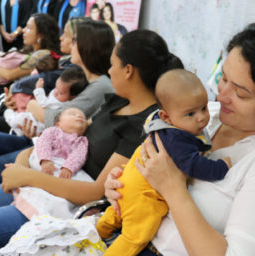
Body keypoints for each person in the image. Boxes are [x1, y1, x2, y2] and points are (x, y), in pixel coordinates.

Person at [0, 29, 183, 248]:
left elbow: (97, 191)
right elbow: (72, 136)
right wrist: (29, 156)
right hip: (47, 181)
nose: (109, 70)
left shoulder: (142, 127)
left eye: (113, 64)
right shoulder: (118, 102)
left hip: (63, 207)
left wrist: (28, 176)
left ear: (128, 71)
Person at [105, 25, 255, 256]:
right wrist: (122, 184)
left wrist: (172, 188)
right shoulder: (207, 114)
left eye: (240, 93)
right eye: (223, 77)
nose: (221, 94)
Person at [96, 69, 231, 255]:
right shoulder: (177, 139)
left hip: (130, 180)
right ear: (166, 117)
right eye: (190, 114)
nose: (201, 118)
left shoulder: (164, 125)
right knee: (134, 237)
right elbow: (193, 165)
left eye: (204, 108)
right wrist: (221, 167)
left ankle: (100, 230)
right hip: (144, 194)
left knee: (119, 213)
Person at [0, 18, 114, 175]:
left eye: (73, 40)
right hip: (41, 140)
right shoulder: (82, 76)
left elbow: (55, 117)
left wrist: (31, 105)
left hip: (54, 156)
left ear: (87, 46)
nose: (65, 41)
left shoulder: (101, 85)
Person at [13, 107, 91, 220]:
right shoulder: (53, 131)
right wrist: (45, 160)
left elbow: (79, 156)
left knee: (73, 182)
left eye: (83, 118)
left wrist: (68, 167)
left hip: (62, 166)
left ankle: (55, 208)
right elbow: (43, 143)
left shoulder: (82, 141)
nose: (79, 116)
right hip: (46, 160)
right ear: (59, 124)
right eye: (72, 114)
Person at [4, 67, 88, 136]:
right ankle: (17, 128)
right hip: (34, 117)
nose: (56, 92)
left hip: (41, 126)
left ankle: (9, 116)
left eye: (61, 93)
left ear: (73, 96)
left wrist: (39, 89)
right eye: (56, 87)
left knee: (18, 119)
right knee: (22, 117)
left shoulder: (62, 104)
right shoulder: (58, 93)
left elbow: (43, 104)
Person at [0, 12, 60, 93]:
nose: (23, 30)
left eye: (29, 28)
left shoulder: (44, 54)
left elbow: (9, 75)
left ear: (41, 35)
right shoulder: (31, 50)